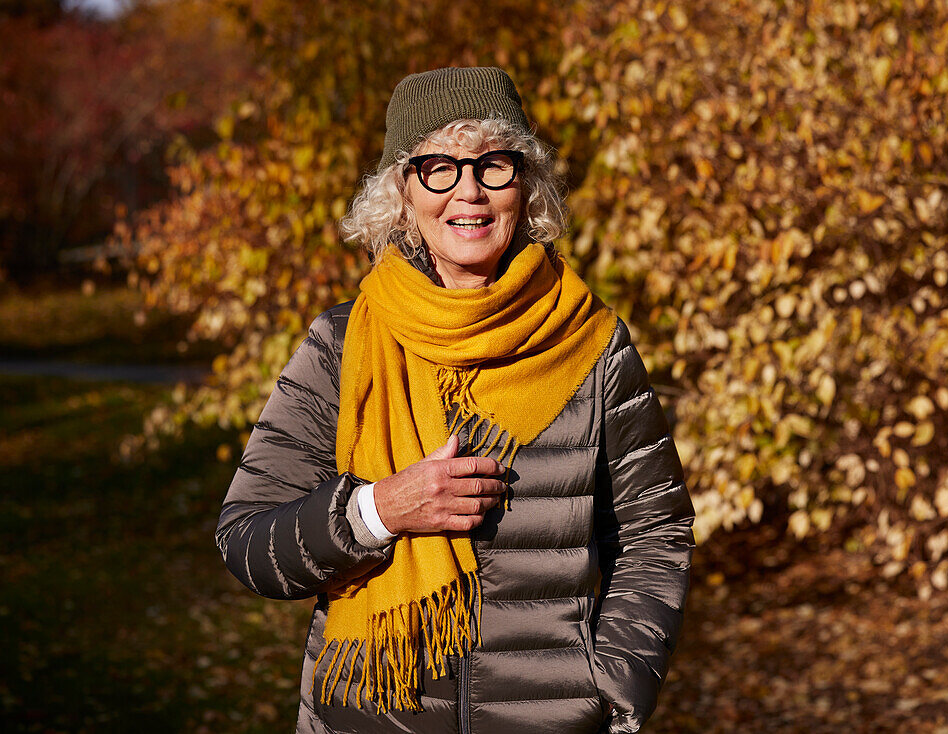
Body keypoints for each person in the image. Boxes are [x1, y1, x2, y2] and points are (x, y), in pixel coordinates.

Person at [216, 66, 694, 734]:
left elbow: (654, 531)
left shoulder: (594, 343)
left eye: (493, 164)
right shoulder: (342, 343)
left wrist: (612, 691)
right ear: (402, 193)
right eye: (438, 167)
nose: (468, 191)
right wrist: (376, 511)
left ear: (525, 186)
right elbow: (246, 541)